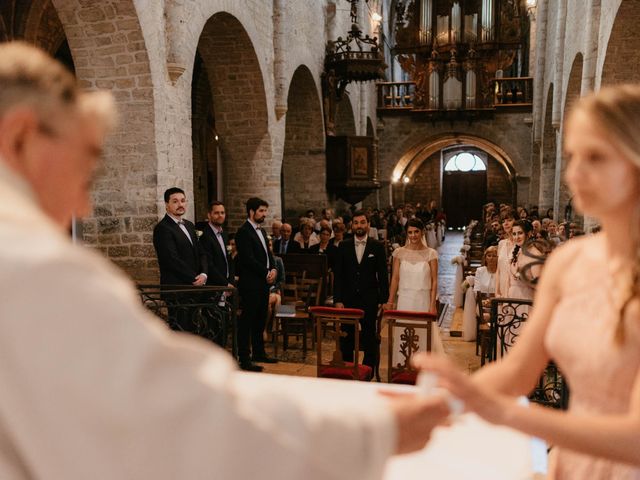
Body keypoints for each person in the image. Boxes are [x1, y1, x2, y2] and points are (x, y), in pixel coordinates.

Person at [0, 42, 452, 479]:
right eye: (85, 168)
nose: (82, 204)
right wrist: (373, 431)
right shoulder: (35, 267)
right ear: (21, 138)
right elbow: (190, 418)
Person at [416, 85, 640, 479]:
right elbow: (518, 371)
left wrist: (510, 416)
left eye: (596, 156)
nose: (574, 174)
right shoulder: (570, 261)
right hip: (573, 461)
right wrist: (443, 404)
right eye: (572, 156)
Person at [333, 210, 389, 369]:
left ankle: (368, 370)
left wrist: (384, 300)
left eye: (362, 222)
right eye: (356, 222)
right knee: (347, 337)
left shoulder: (377, 247)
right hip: (348, 299)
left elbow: (383, 275)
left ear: (368, 225)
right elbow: (338, 276)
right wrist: (337, 299)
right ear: (352, 225)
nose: (359, 226)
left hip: (369, 299)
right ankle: (348, 369)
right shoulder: (343, 246)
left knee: (369, 337)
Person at [384, 218, 440, 363]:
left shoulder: (431, 254)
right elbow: (395, 278)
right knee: (404, 333)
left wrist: (432, 305)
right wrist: (390, 301)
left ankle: (422, 367)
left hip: (423, 299)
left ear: (422, 233)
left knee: (422, 334)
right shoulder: (399, 253)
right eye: (410, 232)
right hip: (404, 299)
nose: (413, 235)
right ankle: (402, 365)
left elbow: (434, 281)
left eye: (416, 232)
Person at [235, 197, 279, 370]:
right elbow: (247, 259)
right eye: (261, 211)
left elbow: (269, 255)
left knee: (261, 319)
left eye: (265, 211)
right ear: (251, 212)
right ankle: (244, 358)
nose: (264, 214)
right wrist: (266, 272)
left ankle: (259, 353)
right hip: (251, 283)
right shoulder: (243, 232)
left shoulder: (261, 231)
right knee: (248, 320)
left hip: (263, 283)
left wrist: (274, 269)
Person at [153, 187, 208, 287]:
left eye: (183, 201)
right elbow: (171, 259)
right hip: (177, 288)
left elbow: (201, 252)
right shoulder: (162, 228)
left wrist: (204, 274)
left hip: (197, 288)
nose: (180, 204)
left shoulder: (190, 225)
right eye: (175, 201)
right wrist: (194, 278)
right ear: (166, 205)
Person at [200, 200, 234, 287]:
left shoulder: (225, 234)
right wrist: (225, 284)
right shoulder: (205, 236)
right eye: (216, 213)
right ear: (209, 215)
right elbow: (209, 265)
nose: (220, 216)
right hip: (214, 286)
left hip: (227, 284)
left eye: (222, 213)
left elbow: (229, 260)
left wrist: (230, 281)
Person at [495, 210, 516, 297]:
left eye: (509, 220)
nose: (505, 223)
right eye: (503, 221)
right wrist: (496, 291)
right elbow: (498, 270)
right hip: (502, 287)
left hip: (515, 288)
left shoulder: (521, 244)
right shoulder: (501, 243)